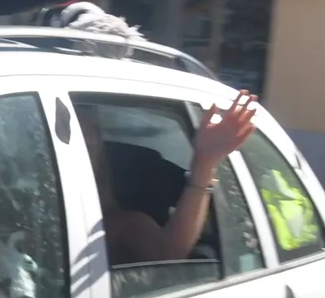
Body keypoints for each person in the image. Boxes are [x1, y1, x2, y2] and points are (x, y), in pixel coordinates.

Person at [85, 92, 263, 265]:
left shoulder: (121, 224)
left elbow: (167, 253)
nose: (85, 148)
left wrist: (204, 162)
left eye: (89, 138)